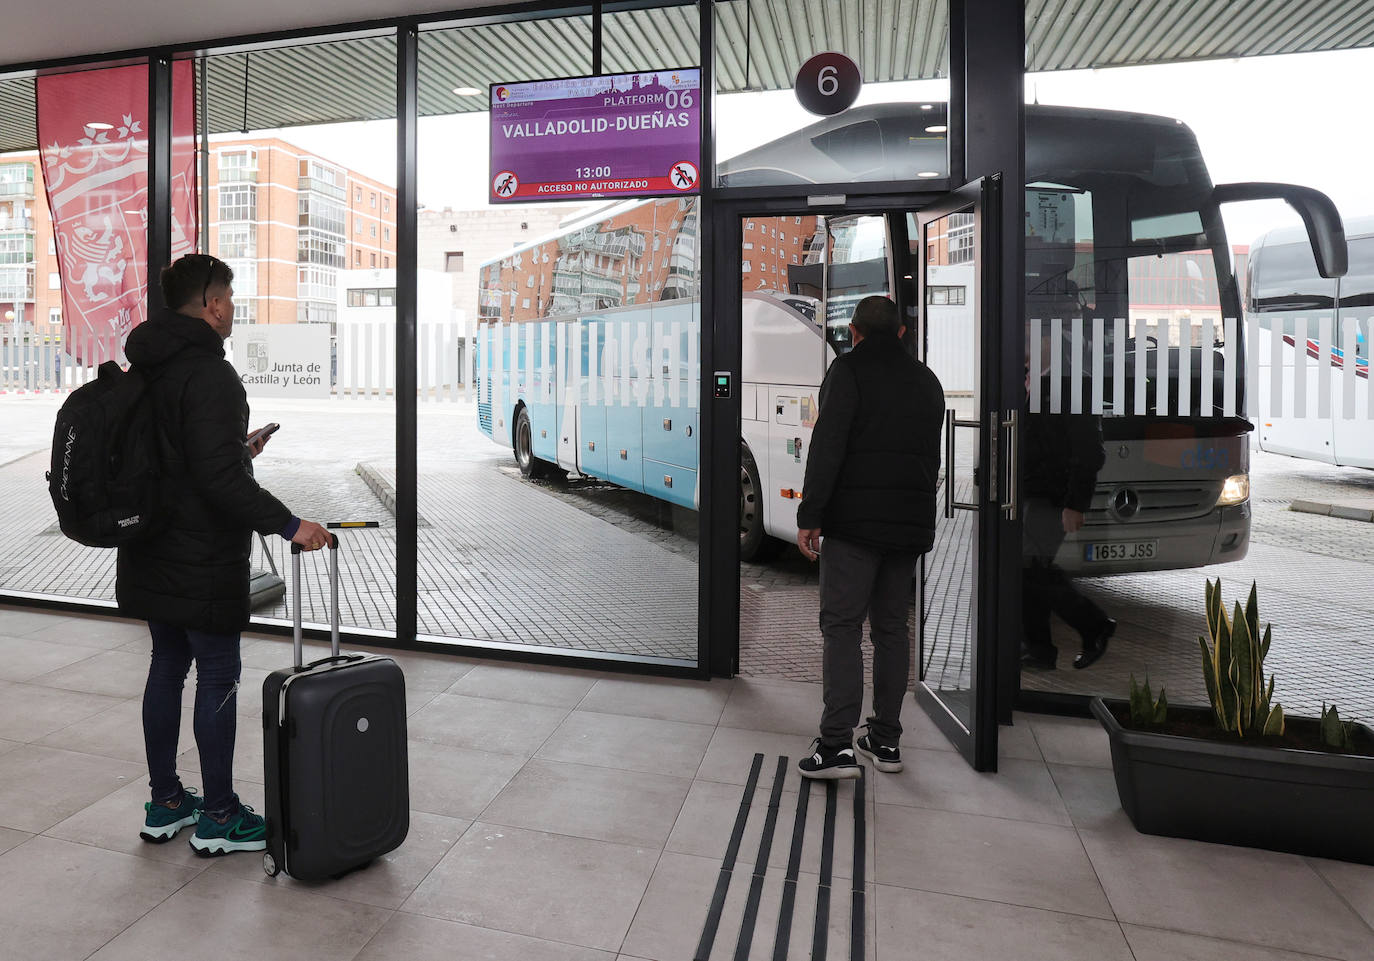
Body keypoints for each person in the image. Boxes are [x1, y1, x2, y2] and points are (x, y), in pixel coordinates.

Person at [118, 253, 331, 856]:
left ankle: (165, 802)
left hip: (148, 545)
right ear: (211, 305)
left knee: (166, 664)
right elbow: (217, 483)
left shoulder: (147, 368)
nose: (233, 309)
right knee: (216, 672)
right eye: (230, 298)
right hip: (202, 554)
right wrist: (292, 525)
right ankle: (217, 816)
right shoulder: (211, 375)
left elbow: (181, 459)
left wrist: (238, 452)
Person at [794, 295, 944, 780]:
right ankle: (885, 740)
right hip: (906, 527)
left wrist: (811, 514)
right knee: (891, 631)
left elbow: (828, 446)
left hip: (855, 526)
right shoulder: (927, 381)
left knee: (841, 628)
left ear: (854, 331)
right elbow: (929, 459)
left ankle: (836, 745)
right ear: (901, 333)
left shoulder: (848, 371)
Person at [1020, 325, 1116, 671]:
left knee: (1031, 568)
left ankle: (1094, 625)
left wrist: (1076, 503)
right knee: (1029, 570)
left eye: (1027, 338)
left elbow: (1090, 451)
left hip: (1054, 496)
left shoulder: (1073, 382)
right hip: (1030, 493)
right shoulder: (1030, 378)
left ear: (1047, 342)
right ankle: (1039, 650)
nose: (1020, 345)